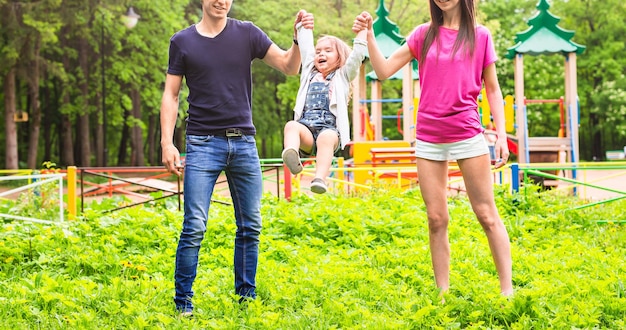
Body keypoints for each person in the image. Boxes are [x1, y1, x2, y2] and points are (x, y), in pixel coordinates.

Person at [160, 0, 314, 316]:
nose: (221, 1)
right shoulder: (182, 41)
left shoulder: (247, 33)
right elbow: (171, 94)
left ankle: (246, 299)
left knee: (251, 225)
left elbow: (289, 65)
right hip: (202, 143)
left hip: (243, 142)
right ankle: (183, 304)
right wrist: (167, 143)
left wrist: (297, 38)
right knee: (194, 226)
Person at [353, 0, 513, 296]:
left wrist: (501, 135)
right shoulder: (423, 34)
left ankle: (507, 292)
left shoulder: (480, 36)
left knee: (486, 213)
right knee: (436, 218)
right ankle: (443, 294)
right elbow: (384, 70)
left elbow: (492, 88)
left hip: (467, 132)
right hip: (429, 136)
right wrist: (371, 37)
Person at [281, 24, 368, 194]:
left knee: (326, 137)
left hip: (329, 130)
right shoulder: (309, 73)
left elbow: (357, 57)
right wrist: (303, 26)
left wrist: (362, 33)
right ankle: (292, 156)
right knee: (291, 125)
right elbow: (306, 49)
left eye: (328, 51)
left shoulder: (342, 76)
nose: (321, 53)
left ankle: (319, 178)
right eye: (318, 51)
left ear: (339, 57)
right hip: (306, 127)